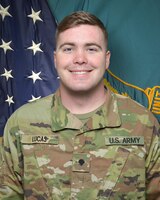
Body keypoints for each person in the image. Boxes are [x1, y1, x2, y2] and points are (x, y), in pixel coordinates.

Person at [0, 11, 160, 200]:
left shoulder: (143, 124)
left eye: (91, 49)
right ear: (55, 59)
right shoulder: (21, 124)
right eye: (68, 49)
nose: (80, 58)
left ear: (106, 59)